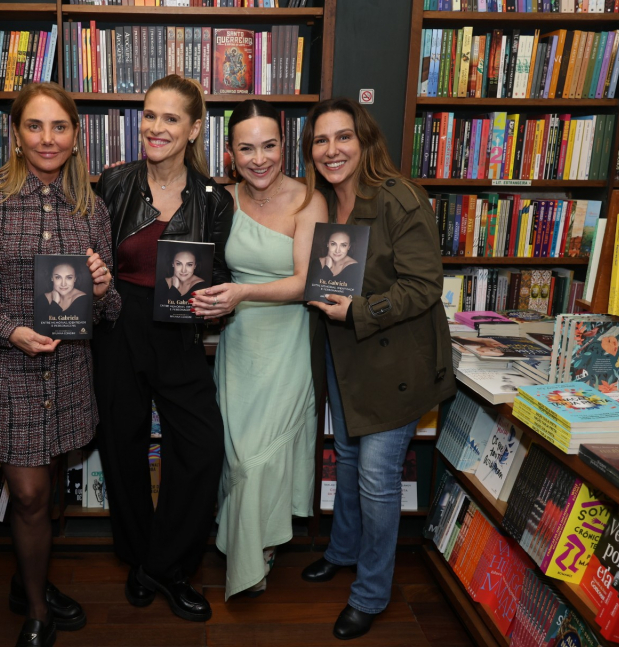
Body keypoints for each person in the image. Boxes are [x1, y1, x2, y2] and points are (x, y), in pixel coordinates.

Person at [0, 83, 118, 647]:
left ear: (75, 136)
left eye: (59, 127)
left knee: (52, 487)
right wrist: (7, 329)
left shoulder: (91, 206)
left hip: (68, 373)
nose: (47, 138)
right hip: (5, 369)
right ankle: (37, 610)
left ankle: (27, 579)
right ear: (16, 134)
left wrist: (106, 288)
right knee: (31, 494)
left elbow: (108, 310)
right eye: (35, 126)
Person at [299, 97, 455, 641]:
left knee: (376, 477)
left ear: (365, 141)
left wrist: (359, 310)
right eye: (321, 140)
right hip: (345, 358)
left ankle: (370, 593)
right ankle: (342, 552)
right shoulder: (324, 203)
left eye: (343, 137)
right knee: (343, 456)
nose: (332, 149)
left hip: (395, 363)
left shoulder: (400, 198)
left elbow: (423, 287)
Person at [92, 74, 233, 623]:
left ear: (195, 128)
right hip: (117, 324)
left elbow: (218, 267)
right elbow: (90, 254)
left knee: (200, 448)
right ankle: (139, 558)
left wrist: (217, 296)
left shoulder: (213, 199)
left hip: (178, 330)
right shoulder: (113, 184)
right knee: (121, 445)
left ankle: (168, 564)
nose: (156, 127)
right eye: (149, 115)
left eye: (171, 118)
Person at [191, 99, 327, 599]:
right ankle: (250, 546)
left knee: (257, 459)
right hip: (238, 342)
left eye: (269, 145)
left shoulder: (308, 199)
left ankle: (254, 554)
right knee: (233, 453)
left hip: (288, 340)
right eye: (246, 148)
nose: (259, 158)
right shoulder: (219, 197)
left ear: (284, 145)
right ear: (229, 154)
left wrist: (242, 292)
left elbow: (305, 282)